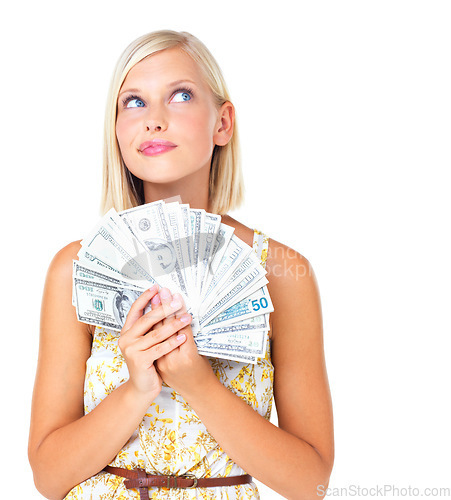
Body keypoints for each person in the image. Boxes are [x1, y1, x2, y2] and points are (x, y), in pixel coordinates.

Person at [28, 29, 334, 499]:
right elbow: (49, 478)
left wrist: (198, 384)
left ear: (223, 123)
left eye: (181, 95)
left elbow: (310, 483)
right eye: (133, 102)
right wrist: (136, 389)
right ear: (116, 129)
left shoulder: (279, 273)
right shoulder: (75, 268)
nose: (153, 120)